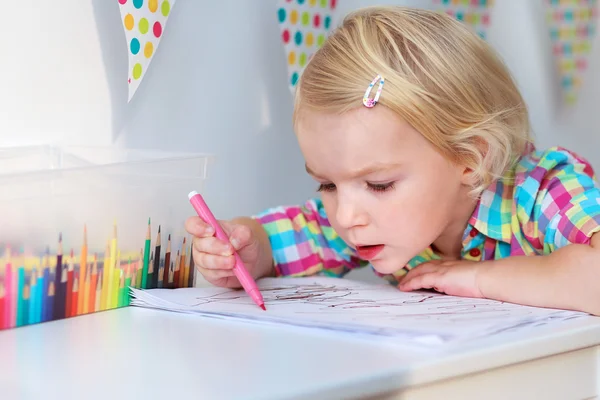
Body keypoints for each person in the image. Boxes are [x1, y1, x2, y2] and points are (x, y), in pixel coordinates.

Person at [185, 6, 600, 315]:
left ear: (471, 158)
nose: (346, 216)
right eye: (328, 185)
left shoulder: (545, 190)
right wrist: (246, 249)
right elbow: (283, 241)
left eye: (379, 185)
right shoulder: (368, 225)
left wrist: (475, 278)